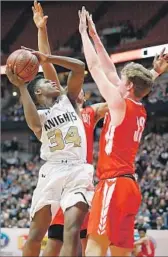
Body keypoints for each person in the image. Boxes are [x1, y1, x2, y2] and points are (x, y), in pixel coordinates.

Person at [78, 6, 168, 257]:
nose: (116, 81)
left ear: (129, 86)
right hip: (130, 189)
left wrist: (82, 33)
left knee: (94, 249)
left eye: (122, 80)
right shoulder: (138, 106)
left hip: (113, 184)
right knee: (121, 253)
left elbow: (96, 68)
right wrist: (96, 36)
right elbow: (111, 70)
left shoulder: (119, 104)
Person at [6, 16, 94, 257]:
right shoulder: (41, 116)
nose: (52, 82)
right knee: (36, 234)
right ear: (37, 92)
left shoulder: (69, 101)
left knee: (72, 230)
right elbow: (34, 123)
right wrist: (22, 86)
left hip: (78, 170)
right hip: (52, 171)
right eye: (46, 81)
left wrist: (45, 45)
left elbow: (78, 67)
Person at [30, 2, 108, 256]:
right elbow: (47, 66)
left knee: (82, 246)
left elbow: (119, 99)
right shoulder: (63, 105)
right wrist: (42, 30)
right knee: (54, 245)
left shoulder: (90, 111)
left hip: (80, 181)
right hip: (61, 178)